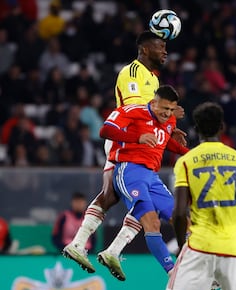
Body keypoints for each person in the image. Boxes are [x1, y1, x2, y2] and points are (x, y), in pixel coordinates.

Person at [62, 31, 184, 273]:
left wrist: (168, 130)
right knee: (116, 194)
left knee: (122, 197)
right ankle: (82, 245)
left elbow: (155, 115)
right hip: (128, 139)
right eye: (160, 46)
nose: (165, 51)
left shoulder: (154, 79)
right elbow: (135, 113)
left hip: (141, 140)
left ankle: (104, 249)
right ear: (145, 49)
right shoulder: (133, 72)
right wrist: (160, 130)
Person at [164, 102, 236, 290]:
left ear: (196, 129)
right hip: (233, 246)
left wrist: (183, 245)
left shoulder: (186, 161)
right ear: (222, 127)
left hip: (200, 244)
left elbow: (180, 212)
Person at [97, 85, 188, 281]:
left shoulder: (169, 121)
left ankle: (195, 270)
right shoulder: (133, 111)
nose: (168, 113)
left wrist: (188, 153)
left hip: (152, 178)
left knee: (183, 222)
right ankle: (174, 275)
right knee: (152, 222)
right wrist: (137, 137)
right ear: (153, 103)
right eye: (164, 108)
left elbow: (163, 141)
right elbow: (105, 130)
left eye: (172, 110)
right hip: (129, 171)